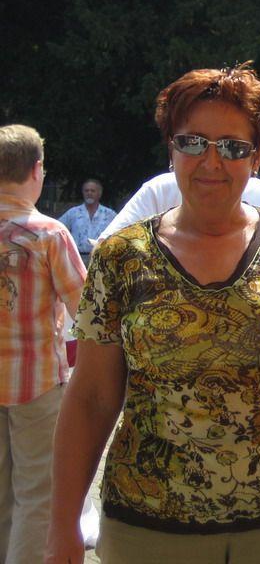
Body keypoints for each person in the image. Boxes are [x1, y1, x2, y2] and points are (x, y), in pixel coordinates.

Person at [45, 64, 260, 564]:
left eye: (233, 147)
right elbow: (90, 396)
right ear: (171, 149)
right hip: (151, 525)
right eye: (192, 142)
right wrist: (62, 521)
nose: (211, 161)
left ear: (256, 157)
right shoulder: (122, 257)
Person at [0, 124, 86, 564]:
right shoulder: (50, 234)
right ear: (37, 170)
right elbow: (87, 311)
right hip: (36, 383)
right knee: (36, 495)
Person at [98, 169, 260, 280]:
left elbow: (104, 255)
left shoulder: (160, 189)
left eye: (229, 145)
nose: (212, 160)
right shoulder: (159, 189)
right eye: (195, 142)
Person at [59, 178, 117, 265]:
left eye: (92, 191)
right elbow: (58, 230)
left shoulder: (109, 214)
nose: (89, 193)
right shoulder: (73, 213)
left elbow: (120, 234)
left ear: (99, 193)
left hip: (101, 259)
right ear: (83, 192)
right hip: (77, 259)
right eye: (86, 191)